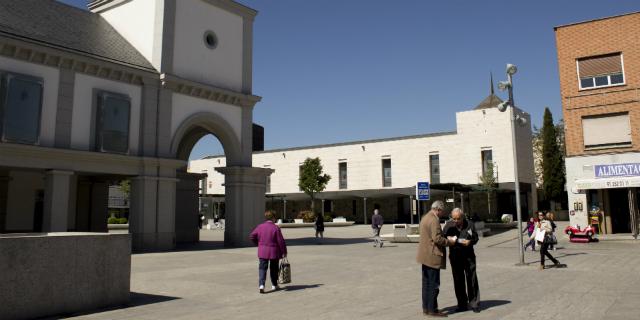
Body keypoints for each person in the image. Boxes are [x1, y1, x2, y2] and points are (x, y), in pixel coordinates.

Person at [416, 200, 456, 317]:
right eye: (442, 211)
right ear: (438, 209)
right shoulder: (434, 220)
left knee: (426, 283)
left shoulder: (425, 217)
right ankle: (432, 309)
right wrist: (450, 241)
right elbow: (437, 238)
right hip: (433, 256)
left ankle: (426, 308)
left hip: (424, 256)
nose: (442, 214)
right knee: (434, 284)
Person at [443, 208, 480, 313]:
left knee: (471, 279)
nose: (456, 221)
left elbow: (476, 238)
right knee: (458, 280)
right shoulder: (449, 225)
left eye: (458, 219)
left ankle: (474, 303)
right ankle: (462, 304)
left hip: (468, 256)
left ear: (462, 217)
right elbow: (443, 237)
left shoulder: (470, 224)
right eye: (454, 218)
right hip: (455, 257)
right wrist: (449, 240)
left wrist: (470, 242)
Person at [249, 210, 288, 293]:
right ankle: (274, 285)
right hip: (274, 252)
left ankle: (261, 285)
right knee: (274, 269)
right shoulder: (275, 228)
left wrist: (258, 244)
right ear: (273, 218)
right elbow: (280, 241)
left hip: (262, 251)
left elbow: (252, 236)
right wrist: (284, 251)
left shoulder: (260, 226)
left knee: (262, 268)